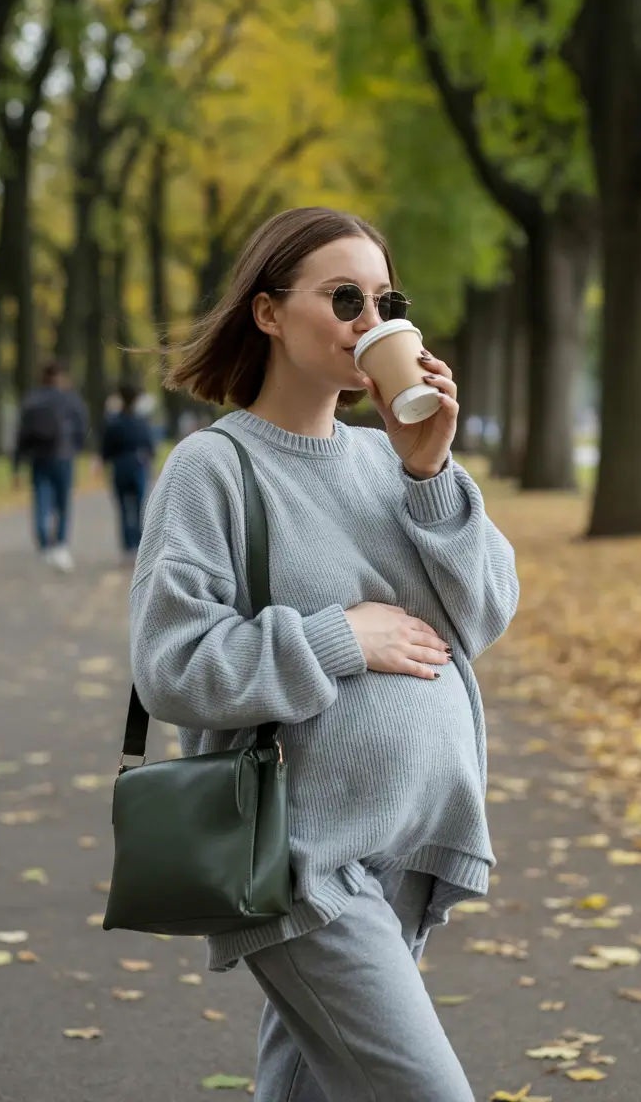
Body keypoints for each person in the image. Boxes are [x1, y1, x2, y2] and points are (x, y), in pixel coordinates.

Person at [130, 207, 519, 1101]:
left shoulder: (396, 463)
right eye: (346, 298)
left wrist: (431, 474)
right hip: (301, 857)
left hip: (408, 846)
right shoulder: (213, 468)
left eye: (386, 302)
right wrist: (342, 637)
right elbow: (172, 664)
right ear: (269, 312)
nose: (370, 321)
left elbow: (486, 613)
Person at [12, 361, 88, 572]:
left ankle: (44, 543)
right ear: (60, 376)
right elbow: (82, 427)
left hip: (39, 458)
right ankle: (61, 544)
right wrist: (76, 448)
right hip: (64, 456)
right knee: (62, 503)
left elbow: (21, 435)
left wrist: (16, 466)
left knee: (41, 499)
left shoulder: (32, 400)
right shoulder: (70, 399)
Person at [99, 382, 156, 564]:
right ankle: (140, 545)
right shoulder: (141, 422)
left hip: (120, 467)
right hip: (138, 466)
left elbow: (106, 449)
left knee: (124, 508)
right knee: (139, 508)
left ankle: (127, 547)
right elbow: (150, 447)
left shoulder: (114, 422)